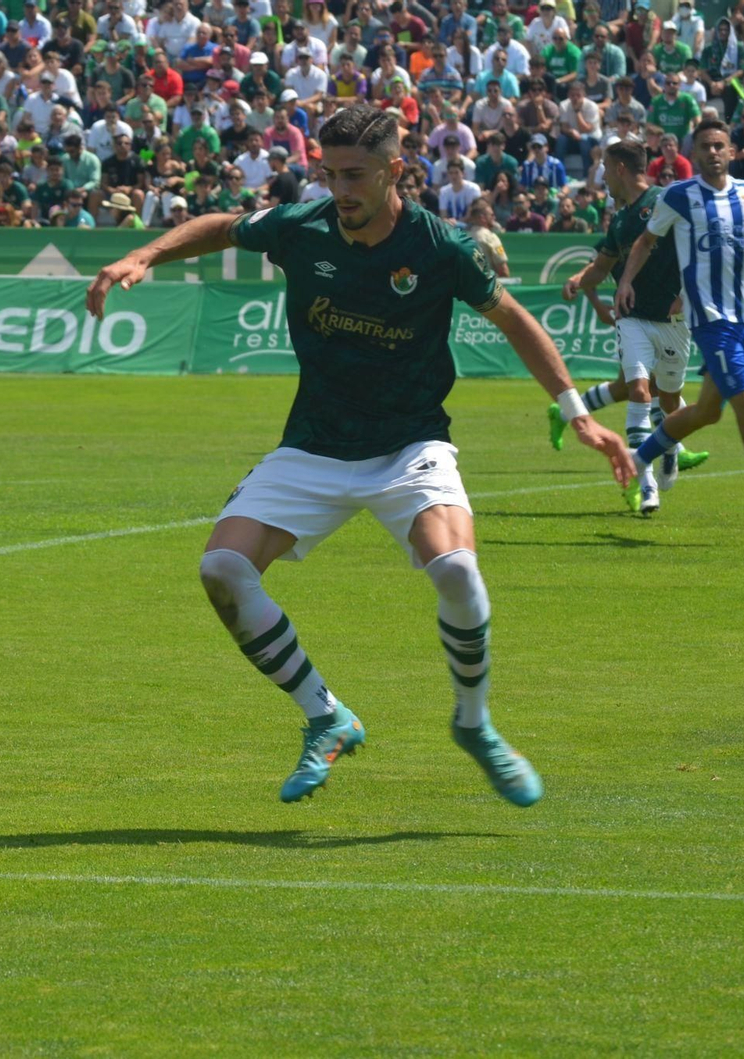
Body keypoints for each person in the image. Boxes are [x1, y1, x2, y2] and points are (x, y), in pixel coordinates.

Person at [87, 105, 633, 809]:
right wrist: (143, 256)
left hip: (409, 446)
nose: (339, 189)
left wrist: (577, 412)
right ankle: (326, 716)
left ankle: (474, 723)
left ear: (394, 171)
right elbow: (224, 226)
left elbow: (514, 319)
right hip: (314, 445)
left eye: (355, 175)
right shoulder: (303, 226)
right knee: (222, 568)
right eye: (329, 173)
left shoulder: (441, 246)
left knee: (457, 570)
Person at [617, 120, 744, 508]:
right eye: (705, 146)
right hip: (709, 319)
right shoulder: (680, 195)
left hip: (742, 318)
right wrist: (626, 282)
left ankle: (636, 460)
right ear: (695, 154)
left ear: (732, 151)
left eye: (719, 145)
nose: (713, 152)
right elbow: (646, 240)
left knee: (706, 412)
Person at [556, 139, 706, 513]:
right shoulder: (620, 220)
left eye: (606, 169)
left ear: (620, 169)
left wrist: (687, 293)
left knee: (668, 399)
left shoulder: (665, 200)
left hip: (673, 320)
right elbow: (601, 267)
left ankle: (670, 448)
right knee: (638, 389)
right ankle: (646, 484)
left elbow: (698, 247)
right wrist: (579, 280)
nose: (603, 177)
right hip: (632, 316)